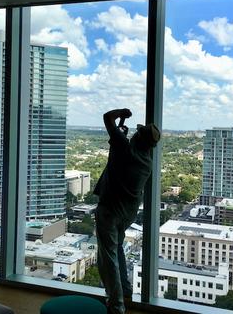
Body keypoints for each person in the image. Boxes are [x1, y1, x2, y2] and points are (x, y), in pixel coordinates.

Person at [94, 108, 161, 314]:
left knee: (108, 256)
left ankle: (116, 305)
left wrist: (122, 112)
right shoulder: (146, 161)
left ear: (137, 137)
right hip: (127, 212)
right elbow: (124, 151)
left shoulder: (124, 148)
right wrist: (120, 137)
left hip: (110, 209)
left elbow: (107, 117)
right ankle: (125, 288)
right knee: (118, 248)